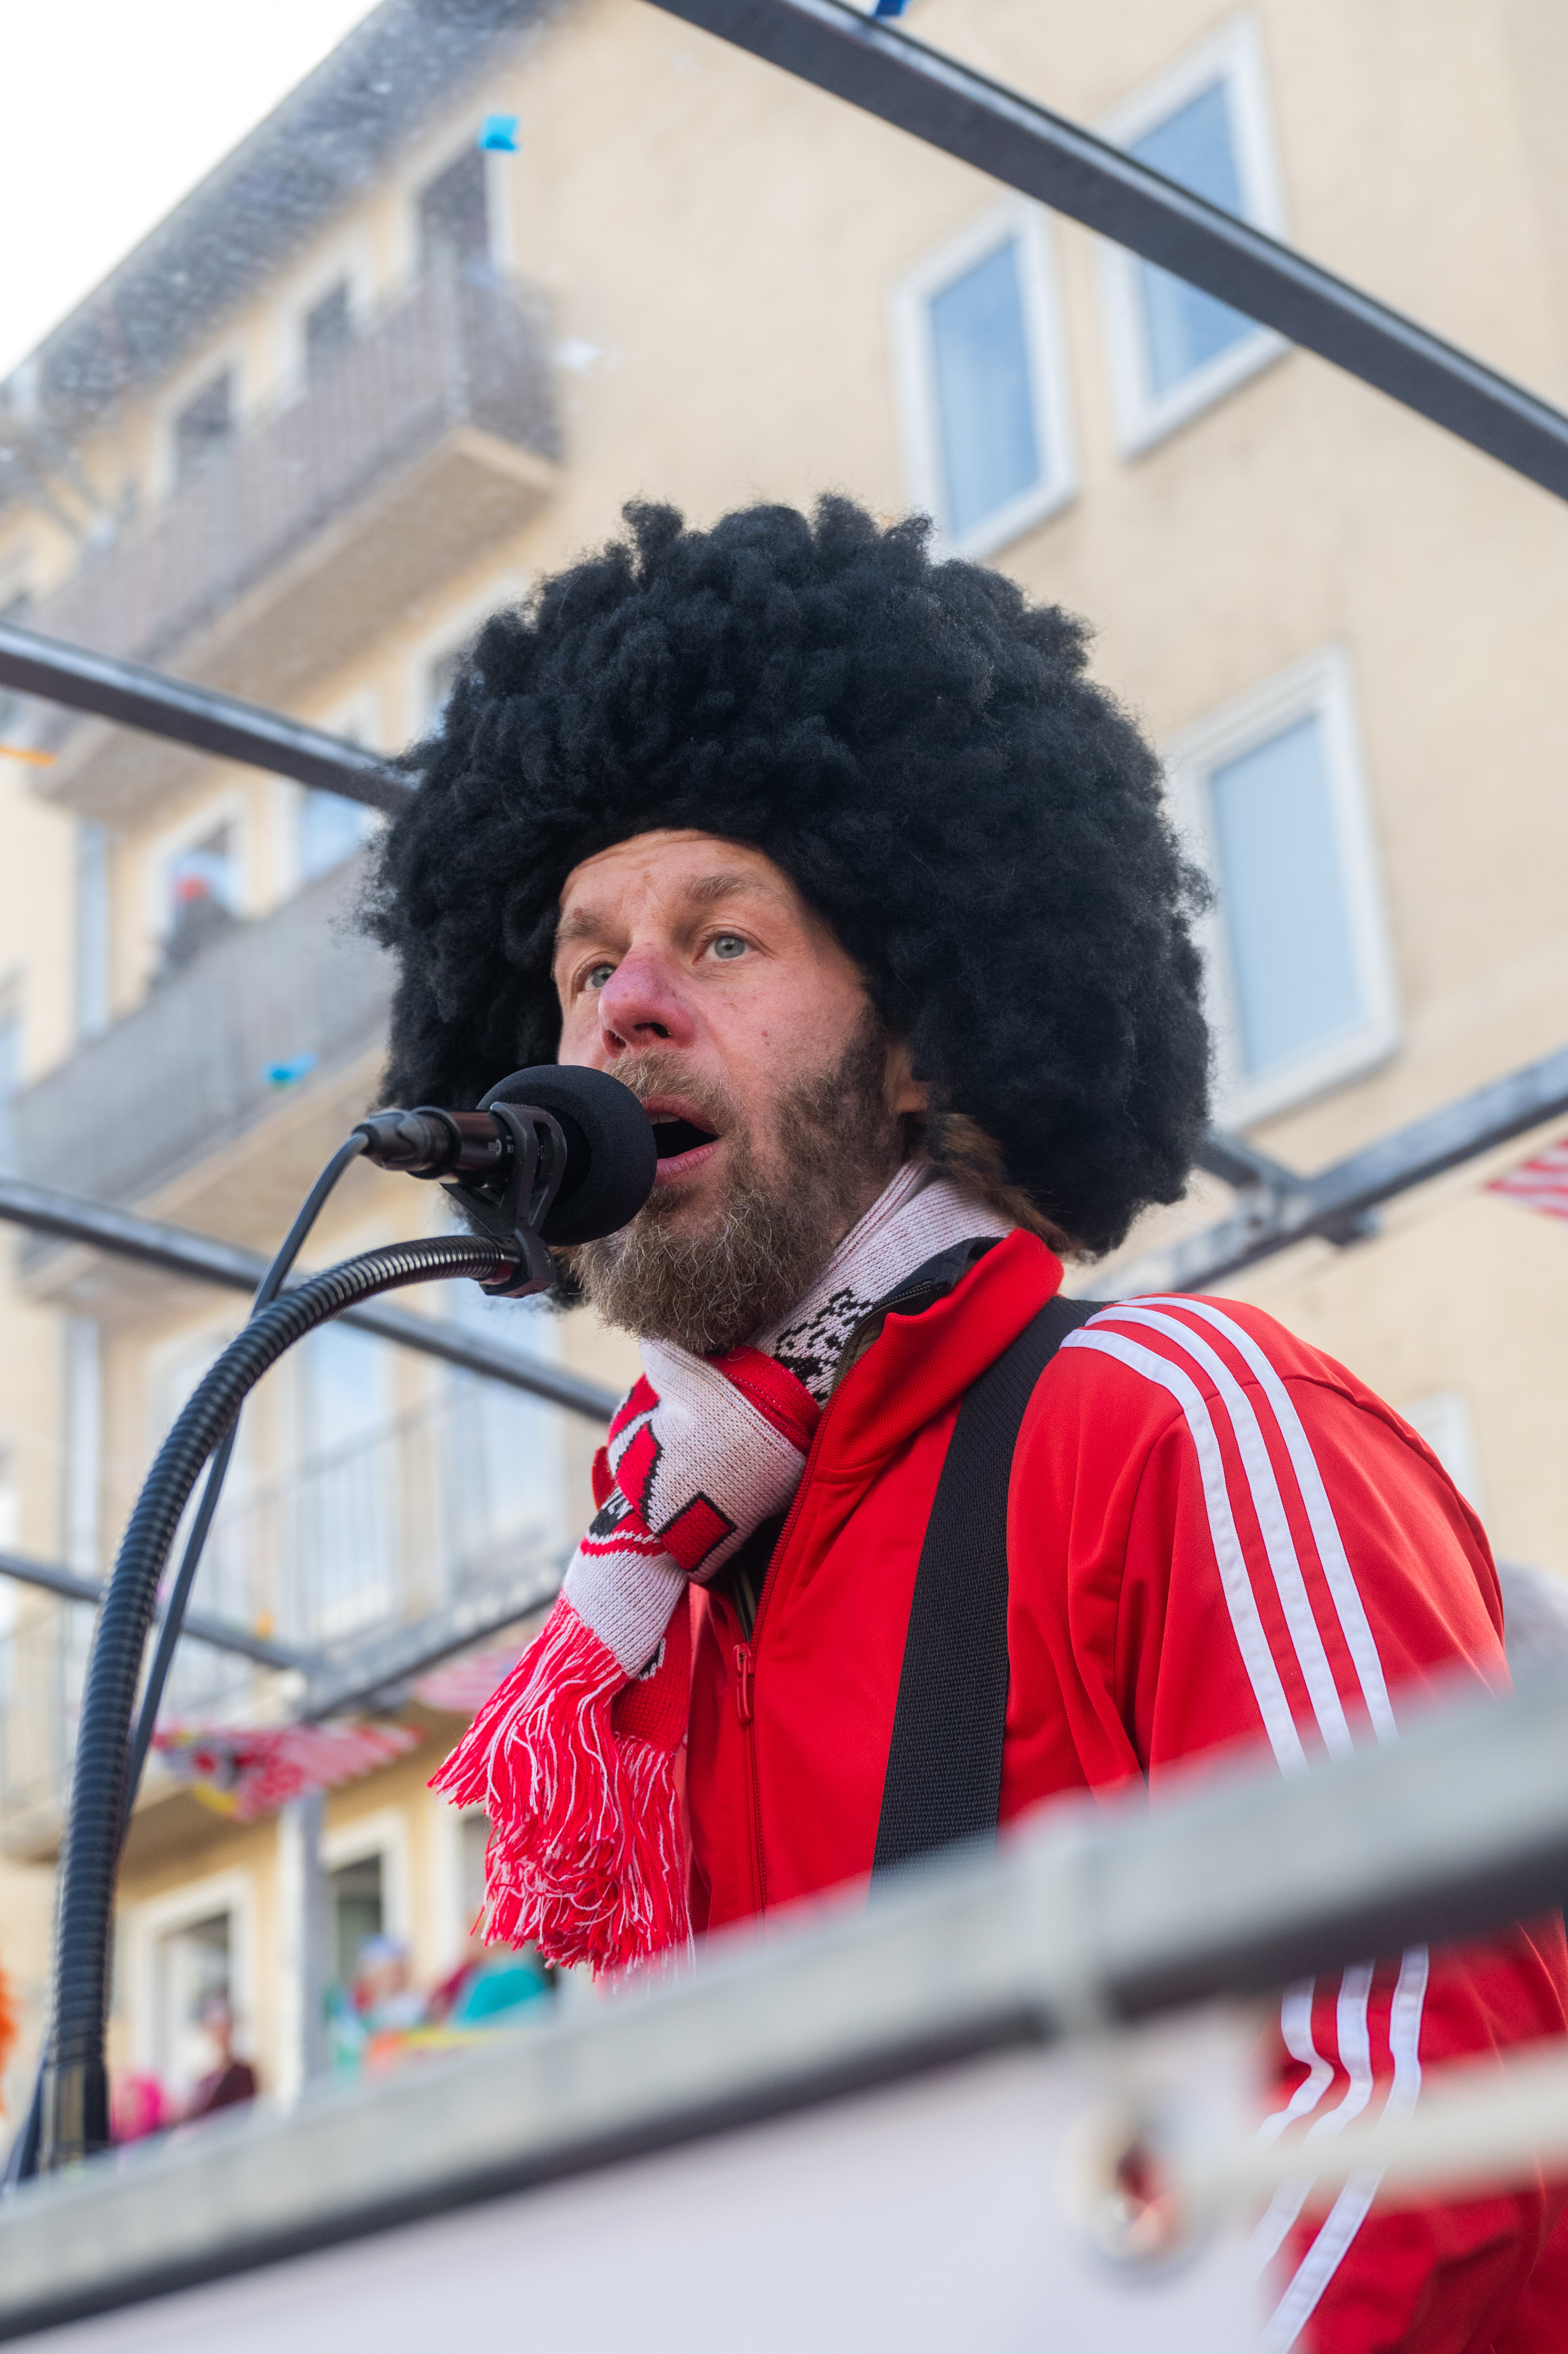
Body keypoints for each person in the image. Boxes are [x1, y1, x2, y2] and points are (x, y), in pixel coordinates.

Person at [368, 497, 1568, 2351]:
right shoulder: (672, 1604)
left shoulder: (1173, 1422)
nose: (623, 1006)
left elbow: (1431, 2109)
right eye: (583, 959)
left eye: (722, 937)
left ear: (922, 1035)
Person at [182, 1994, 256, 2120]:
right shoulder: (202, 2074)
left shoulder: (242, 2072)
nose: (220, 2032)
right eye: (215, 2027)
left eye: (224, 2026)